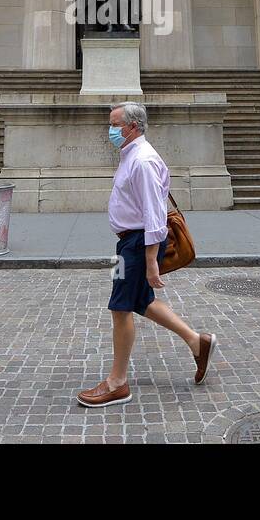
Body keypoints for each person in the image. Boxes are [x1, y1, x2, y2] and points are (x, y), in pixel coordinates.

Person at [77, 102, 217, 408]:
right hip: (130, 243)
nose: (110, 130)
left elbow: (154, 214)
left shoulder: (142, 160)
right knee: (141, 301)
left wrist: (151, 260)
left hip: (137, 245)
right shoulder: (133, 156)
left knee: (120, 306)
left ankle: (117, 383)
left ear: (133, 127)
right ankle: (197, 341)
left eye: (115, 125)